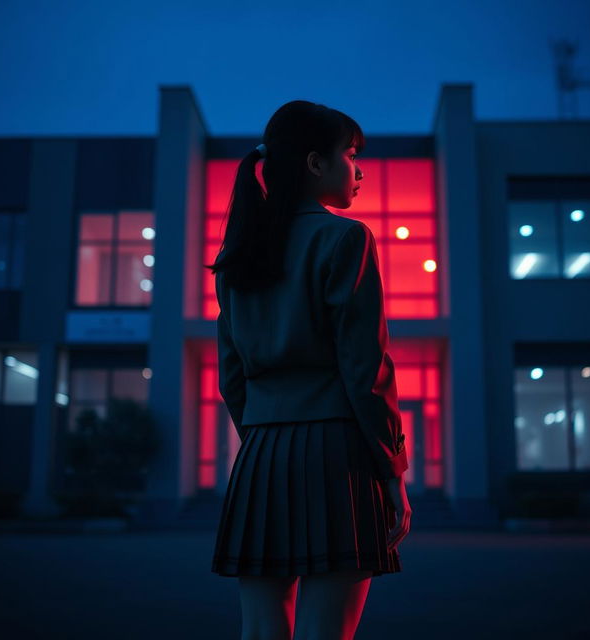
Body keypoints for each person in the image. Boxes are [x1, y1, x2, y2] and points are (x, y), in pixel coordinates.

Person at [205, 100, 412, 640]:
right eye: (350, 154)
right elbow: (365, 370)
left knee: (260, 630)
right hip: (337, 455)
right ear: (316, 163)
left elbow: (232, 377)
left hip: (262, 456)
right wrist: (392, 468)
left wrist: (266, 433)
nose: (360, 170)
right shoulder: (344, 238)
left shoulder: (237, 255)